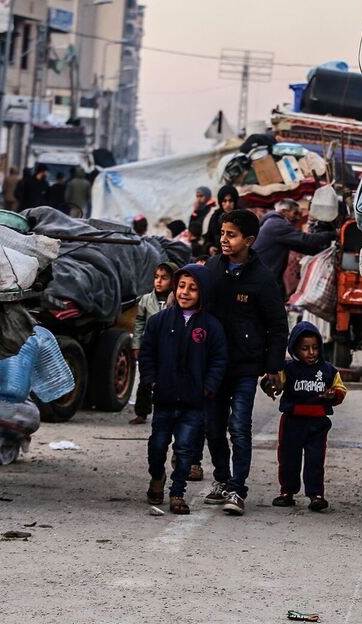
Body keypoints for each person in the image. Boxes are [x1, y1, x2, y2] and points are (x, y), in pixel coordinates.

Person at [202, 209, 288, 515]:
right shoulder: (211, 269)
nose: (224, 240)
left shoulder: (263, 279)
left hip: (244, 367)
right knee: (212, 427)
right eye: (223, 233)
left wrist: (274, 366)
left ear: (249, 241)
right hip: (213, 367)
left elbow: (277, 325)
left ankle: (237, 489)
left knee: (238, 426)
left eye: (232, 235)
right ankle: (221, 479)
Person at [138, 264, 227, 515]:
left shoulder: (211, 326)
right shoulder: (159, 322)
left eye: (193, 288)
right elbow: (147, 353)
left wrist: (208, 387)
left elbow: (219, 359)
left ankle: (177, 492)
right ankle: (157, 477)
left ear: (204, 293)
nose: (185, 292)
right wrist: (151, 380)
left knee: (185, 449)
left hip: (194, 402)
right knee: (157, 445)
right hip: (164, 399)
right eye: (181, 286)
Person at [266, 321, 346, 512]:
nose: (311, 353)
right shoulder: (288, 369)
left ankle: (316, 495)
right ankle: (287, 492)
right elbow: (270, 381)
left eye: (315, 348)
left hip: (318, 424)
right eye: (305, 348)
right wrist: (271, 387)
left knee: (315, 460)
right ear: (294, 349)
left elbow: (340, 389)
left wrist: (332, 395)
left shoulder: (328, 370)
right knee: (288, 458)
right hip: (292, 421)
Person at [129, 261, 178, 425]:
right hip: (150, 347)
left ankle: (167, 412)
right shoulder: (146, 300)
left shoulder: (178, 300)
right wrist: (136, 344)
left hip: (170, 348)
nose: (158, 281)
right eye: (156, 277)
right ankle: (142, 412)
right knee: (145, 381)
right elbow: (139, 323)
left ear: (173, 281)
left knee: (167, 381)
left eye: (164, 278)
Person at [254, 199, 336, 291]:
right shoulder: (277, 224)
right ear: (284, 212)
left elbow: (301, 247)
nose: (297, 218)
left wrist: (325, 252)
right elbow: (306, 240)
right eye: (295, 213)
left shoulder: (272, 222)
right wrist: (334, 234)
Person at [205, 185, 239, 257]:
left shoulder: (242, 216)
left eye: (230, 201)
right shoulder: (215, 217)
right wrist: (210, 247)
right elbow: (209, 238)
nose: (227, 204)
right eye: (224, 201)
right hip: (220, 256)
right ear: (220, 202)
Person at [188, 186, 218, 257]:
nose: (199, 199)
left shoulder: (211, 209)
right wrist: (195, 211)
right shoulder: (200, 209)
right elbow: (191, 226)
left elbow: (200, 224)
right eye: (197, 196)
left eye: (201, 196)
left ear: (207, 195)